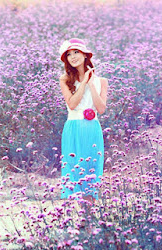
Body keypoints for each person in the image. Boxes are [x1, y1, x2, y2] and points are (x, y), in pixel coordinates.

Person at [59, 38, 108, 203]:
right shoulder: (65, 79)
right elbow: (72, 104)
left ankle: (90, 217)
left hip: (92, 128)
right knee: (74, 170)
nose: (73, 57)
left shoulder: (102, 81)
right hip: (73, 127)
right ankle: (81, 217)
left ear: (85, 55)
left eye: (76, 52)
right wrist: (83, 83)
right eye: (69, 54)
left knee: (91, 170)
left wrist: (91, 84)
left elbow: (101, 108)